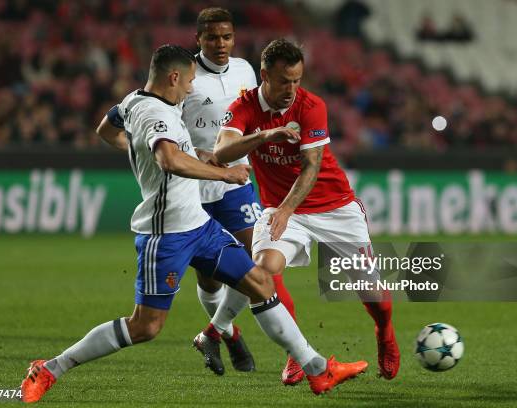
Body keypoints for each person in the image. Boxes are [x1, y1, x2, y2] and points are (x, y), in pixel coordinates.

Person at [19, 44, 367, 403]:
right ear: (173, 78)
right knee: (145, 326)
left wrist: (151, 150)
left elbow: (106, 129)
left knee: (261, 283)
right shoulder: (158, 115)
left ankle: (316, 369)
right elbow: (169, 159)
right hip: (167, 232)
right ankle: (50, 369)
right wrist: (225, 173)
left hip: (199, 226)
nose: (191, 87)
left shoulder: (134, 101)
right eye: (188, 80)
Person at [207, 38, 400, 385]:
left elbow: (310, 167)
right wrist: (265, 136)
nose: (291, 89)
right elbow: (221, 150)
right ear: (264, 75)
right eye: (284, 81)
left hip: (334, 207)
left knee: (375, 296)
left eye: (297, 80)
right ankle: (298, 355)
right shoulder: (245, 105)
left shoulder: (311, 106)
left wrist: (284, 210)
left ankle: (384, 331)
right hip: (281, 209)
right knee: (263, 273)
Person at [182, 7, 270, 374]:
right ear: (199, 39)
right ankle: (231, 334)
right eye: (213, 37)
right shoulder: (183, 75)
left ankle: (213, 331)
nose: (221, 44)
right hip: (192, 184)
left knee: (253, 259)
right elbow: (166, 125)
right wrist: (197, 152)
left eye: (227, 37)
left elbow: (252, 119)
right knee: (209, 275)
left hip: (236, 180)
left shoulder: (245, 70)